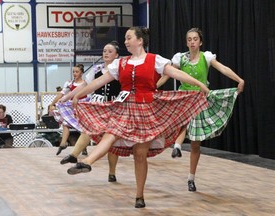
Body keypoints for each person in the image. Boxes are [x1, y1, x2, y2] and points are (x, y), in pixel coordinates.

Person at [59, 26, 209, 208]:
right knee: (111, 133)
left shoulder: (155, 60)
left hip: (146, 110)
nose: (125, 41)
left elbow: (177, 73)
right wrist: (78, 95)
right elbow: (99, 81)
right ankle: (87, 162)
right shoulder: (120, 63)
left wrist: (199, 84)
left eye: (128, 38)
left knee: (140, 154)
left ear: (140, 40)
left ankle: (139, 195)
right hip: (124, 107)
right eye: (125, 38)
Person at [164, 27, 245, 192]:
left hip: (201, 98)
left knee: (195, 144)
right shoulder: (180, 59)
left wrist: (238, 79)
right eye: (189, 39)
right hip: (184, 98)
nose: (192, 42)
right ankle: (177, 146)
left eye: (195, 39)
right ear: (186, 42)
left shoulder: (206, 57)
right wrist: (153, 87)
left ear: (200, 42)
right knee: (184, 122)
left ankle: (191, 178)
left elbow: (222, 68)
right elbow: (166, 74)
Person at [59, 41, 121, 182]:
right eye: (104, 50)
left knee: (111, 138)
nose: (106, 53)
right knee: (88, 129)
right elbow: (84, 86)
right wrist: (67, 97)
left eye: (110, 51)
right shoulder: (96, 69)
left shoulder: (121, 69)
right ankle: (74, 154)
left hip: (114, 104)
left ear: (117, 55)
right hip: (98, 104)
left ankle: (112, 172)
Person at [49, 64, 87, 155]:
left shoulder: (85, 83)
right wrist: (52, 103)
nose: (74, 73)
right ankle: (63, 143)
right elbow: (61, 94)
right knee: (65, 123)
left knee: (83, 127)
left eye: (77, 72)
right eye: (73, 71)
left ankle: (84, 147)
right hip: (71, 106)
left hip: (82, 106)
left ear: (81, 72)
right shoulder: (69, 83)